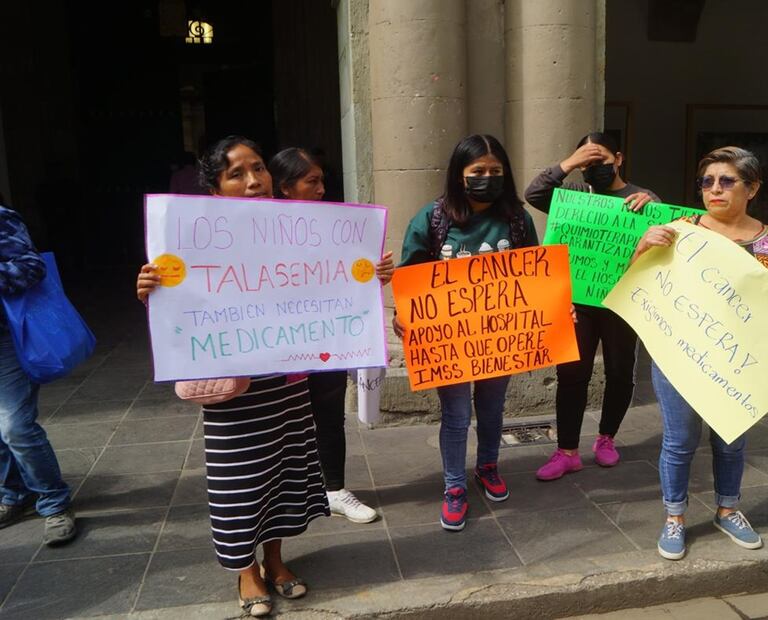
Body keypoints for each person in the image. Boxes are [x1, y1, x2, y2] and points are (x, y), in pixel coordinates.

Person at [137, 137, 327, 617]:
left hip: (285, 380)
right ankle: (246, 572)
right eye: (236, 173)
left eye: (258, 168)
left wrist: (370, 274)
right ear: (216, 187)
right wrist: (151, 291)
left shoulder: (299, 228)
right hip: (232, 385)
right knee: (239, 480)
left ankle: (277, 562)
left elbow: (331, 277)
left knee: (285, 471)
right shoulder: (191, 237)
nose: (253, 181)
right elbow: (180, 303)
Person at [631, 146, 768, 560]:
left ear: (752, 188)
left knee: (731, 440)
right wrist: (642, 247)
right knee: (679, 441)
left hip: (738, 360)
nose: (714, 189)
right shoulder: (679, 230)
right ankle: (675, 517)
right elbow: (634, 285)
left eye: (726, 181)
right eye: (707, 181)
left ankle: (728, 509)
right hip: (678, 354)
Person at [396, 134, 538, 531]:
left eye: (495, 171)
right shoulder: (433, 219)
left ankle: (488, 467)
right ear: (460, 175)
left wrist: (553, 314)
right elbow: (410, 276)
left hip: (500, 334)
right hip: (449, 339)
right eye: (478, 171)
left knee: (492, 407)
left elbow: (533, 276)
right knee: (457, 415)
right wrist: (406, 316)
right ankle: (455, 486)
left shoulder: (517, 219)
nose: (487, 177)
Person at [268, 147, 394, 524]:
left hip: (326, 338)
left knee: (329, 415)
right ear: (286, 187)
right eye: (313, 181)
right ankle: (287, 494)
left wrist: (377, 273)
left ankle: (334, 489)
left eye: (322, 180)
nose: (322, 188)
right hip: (278, 343)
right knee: (283, 421)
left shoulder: (339, 226)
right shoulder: (258, 229)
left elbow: (354, 275)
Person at [524, 132, 659, 480]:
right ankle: (566, 450)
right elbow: (533, 194)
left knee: (619, 371)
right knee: (571, 373)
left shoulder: (642, 199)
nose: (592, 168)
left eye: (599, 161)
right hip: (578, 303)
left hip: (621, 302)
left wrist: (653, 213)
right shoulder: (573, 195)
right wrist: (569, 164)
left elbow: (664, 238)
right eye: (586, 162)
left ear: (619, 157)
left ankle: (606, 438)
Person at [0, 204, 77, 546]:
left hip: (6, 337)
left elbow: (31, 267)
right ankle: (13, 494)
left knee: (14, 425)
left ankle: (53, 501)